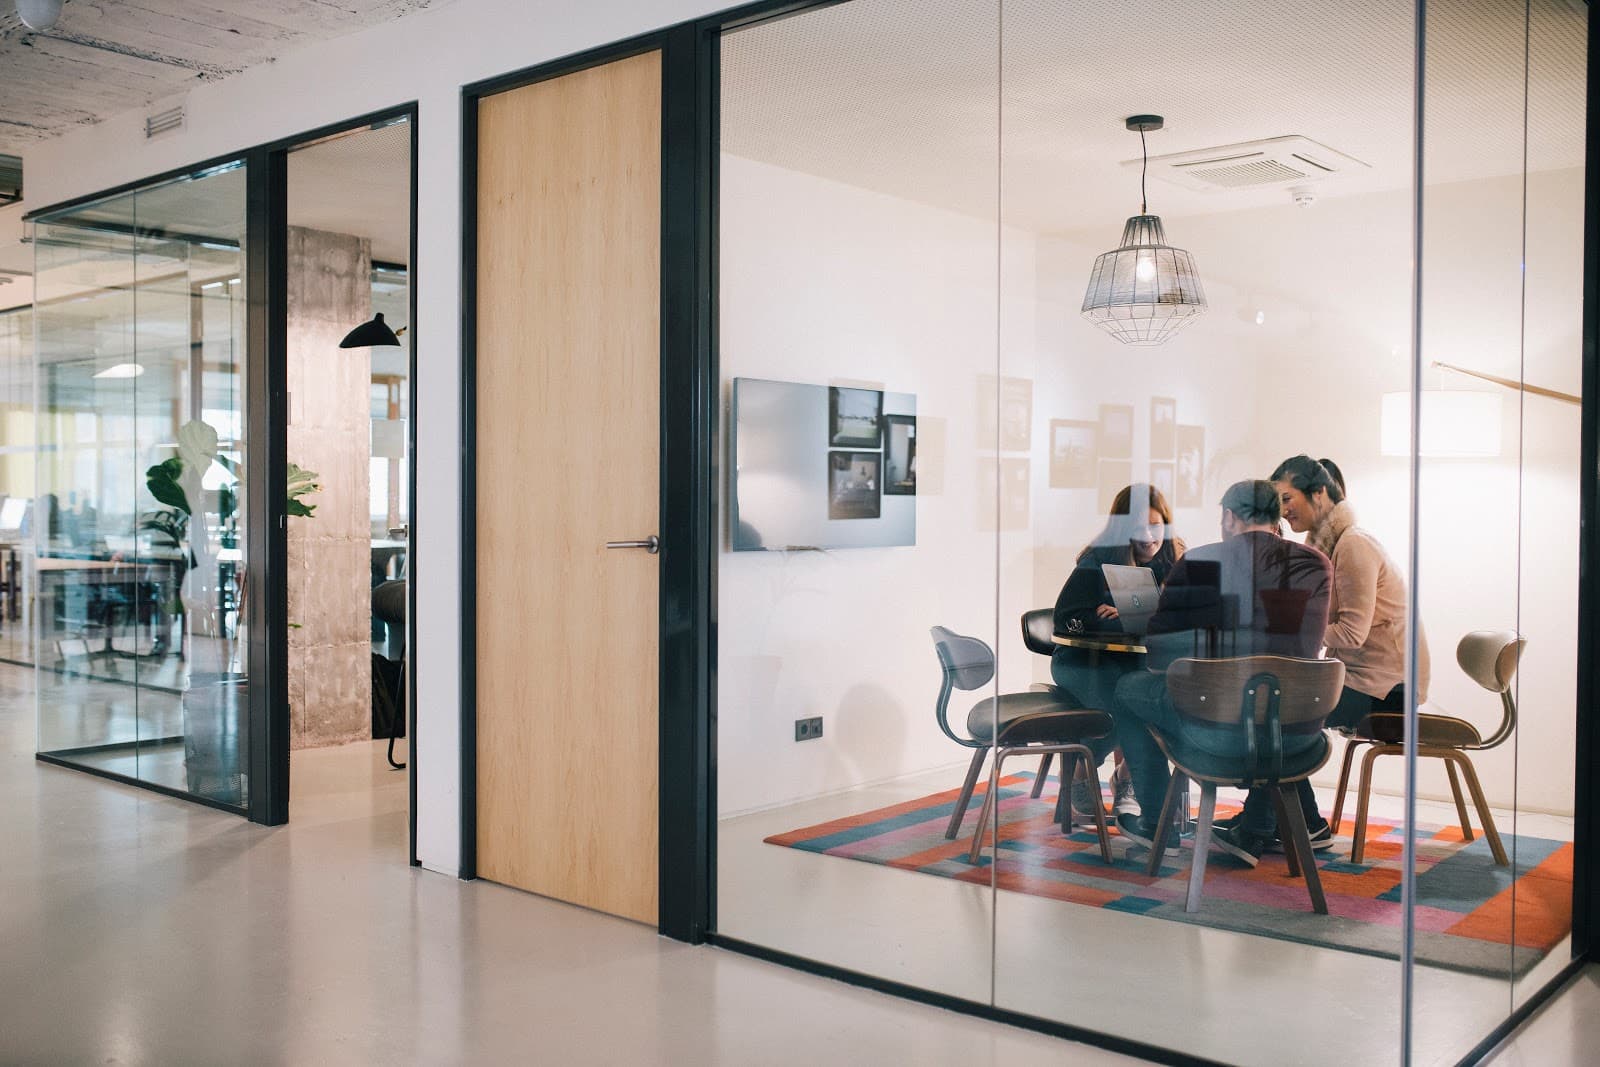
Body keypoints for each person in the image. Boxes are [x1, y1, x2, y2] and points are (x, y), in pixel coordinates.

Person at [1211, 455, 1431, 865]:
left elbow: (1351, 633)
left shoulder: (1354, 545)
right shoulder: (1330, 545)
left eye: (1287, 497)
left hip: (1385, 689)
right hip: (1362, 677)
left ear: (1319, 493)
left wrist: (1286, 631)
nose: (1282, 509)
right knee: (1276, 703)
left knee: (1272, 706)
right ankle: (1306, 824)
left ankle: (1259, 826)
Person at [1110, 480, 1333, 854]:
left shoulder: (1201, 561)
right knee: (1266, 701)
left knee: (1126, 690)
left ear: (1229, 518)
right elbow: (1302, 645)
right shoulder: (1315, 564)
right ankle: (1257, 829)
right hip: (1296, 736)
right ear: (1276, 516)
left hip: (1217, 735)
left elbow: (1159, 652)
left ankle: (1158, 822)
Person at [1050, 483, 1184, 816]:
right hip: (1084, 663)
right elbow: (1065, 619)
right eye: (1138, 526)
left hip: (1138, 663)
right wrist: (1117, 621)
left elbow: (1182, 616)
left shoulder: (1174, 558)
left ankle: (1126, 776)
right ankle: (1097, 771)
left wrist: (1138, 613)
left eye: (1155, 525)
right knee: (1125, 698)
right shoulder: (1098, 559)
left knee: (1160, 693)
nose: (1148, 534)